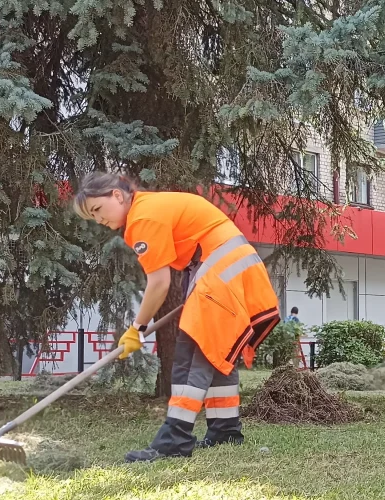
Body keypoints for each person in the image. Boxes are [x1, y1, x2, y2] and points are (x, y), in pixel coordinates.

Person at [73, 172, 281, 462]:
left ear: (117, 196)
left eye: (97, 209)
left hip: (221, 268)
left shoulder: (143, 217)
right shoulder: (151, 207)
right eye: (91, 216)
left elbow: (159, 283)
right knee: (216, 353)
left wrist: (136, 328)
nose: (98, 219)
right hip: (233, 267)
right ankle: (225, 431)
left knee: (192, 350)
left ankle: (174, 440)